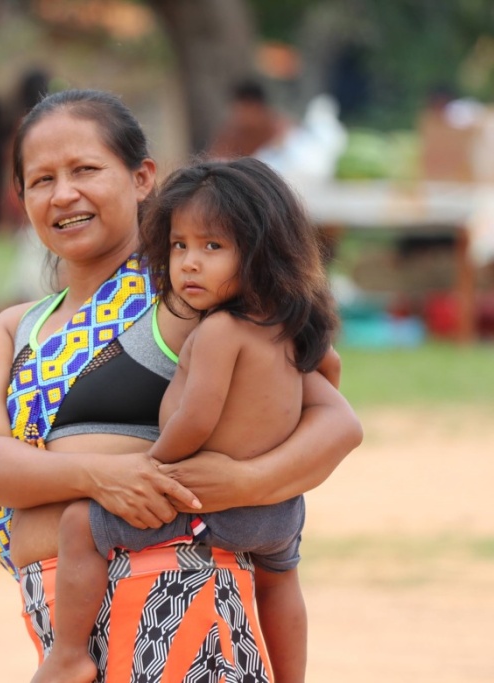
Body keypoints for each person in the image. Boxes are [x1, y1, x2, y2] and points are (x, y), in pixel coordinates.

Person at [0, 89, 363, 683]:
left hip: (175, 604)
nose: (64, 193)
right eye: (41, 179)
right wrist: (102, 476)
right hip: (55, 614)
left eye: (86, 169)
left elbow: (331, 417)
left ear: (143, 176)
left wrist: (250, 479)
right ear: (21, 198)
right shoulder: (15, 326)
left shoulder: (193, 296)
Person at [31, 157, 342, 683]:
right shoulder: (287, 332)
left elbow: (197, 418)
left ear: (262, 253)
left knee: (79, 524)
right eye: (180, 246)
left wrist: (154, 465)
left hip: (208, 504)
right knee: (281, 579)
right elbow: (329, 376)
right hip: (279, 513)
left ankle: (68, 654)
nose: (190, 263)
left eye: (212, 247)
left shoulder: (219, 332)